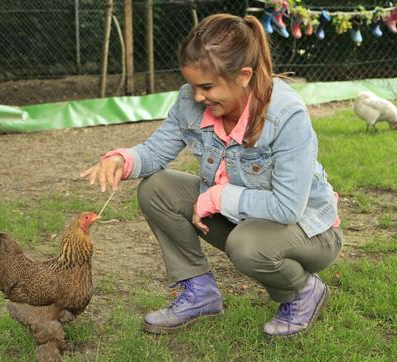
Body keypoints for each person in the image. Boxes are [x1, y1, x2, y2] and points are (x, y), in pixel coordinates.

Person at [81, 13, 343, 337]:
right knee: (157, 189)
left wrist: (218, 196)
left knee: (246, 245)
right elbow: (157, 150)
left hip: (308, 231)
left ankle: (303, 290)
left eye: (206, 87)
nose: (198, 96)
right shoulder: (191, 102)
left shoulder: (285, 115)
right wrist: (122, 159)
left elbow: (287, 207)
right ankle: (199, 293)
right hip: (245, 218)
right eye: (193, 86)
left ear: (243, 75)